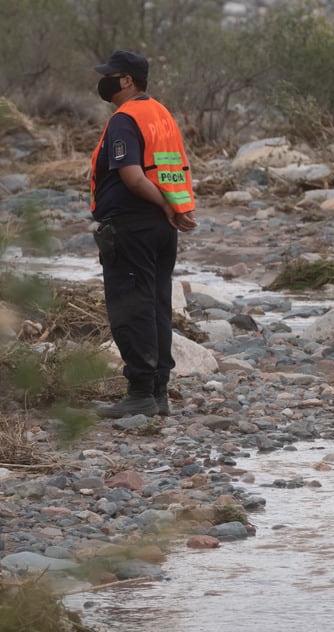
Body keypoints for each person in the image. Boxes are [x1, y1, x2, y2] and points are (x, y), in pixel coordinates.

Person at [89, 49, 197, 419]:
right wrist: (173, 208)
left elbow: (133, 176)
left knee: (131, 307)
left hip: (133, 225)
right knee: (156, 306)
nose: (103, 81)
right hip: (163, 229)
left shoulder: (125, 118)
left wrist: (164, 205)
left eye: (110, 75)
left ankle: (139, 394)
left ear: (127, 81)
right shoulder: (161, 114)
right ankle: (158, 392)